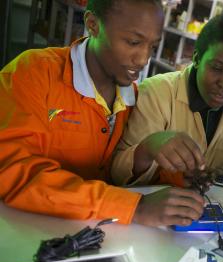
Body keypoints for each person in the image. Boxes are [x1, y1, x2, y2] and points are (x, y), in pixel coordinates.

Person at [0, 0, 205, 228]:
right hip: (24, 228)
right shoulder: (33, 73)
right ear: (93, 25)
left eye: (153, 47)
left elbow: (116, 173)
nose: (143, 59)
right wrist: (134, 206)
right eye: (134, 42)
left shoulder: (132, 98)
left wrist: (176, 173)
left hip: (94, 233)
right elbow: (12, 171)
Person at [111, 12, 223, 190]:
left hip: (222, 208)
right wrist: (148, 149)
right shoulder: (157, 92)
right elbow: (118, 174)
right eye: (217, 68)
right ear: (196, 58)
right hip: (157, 206)